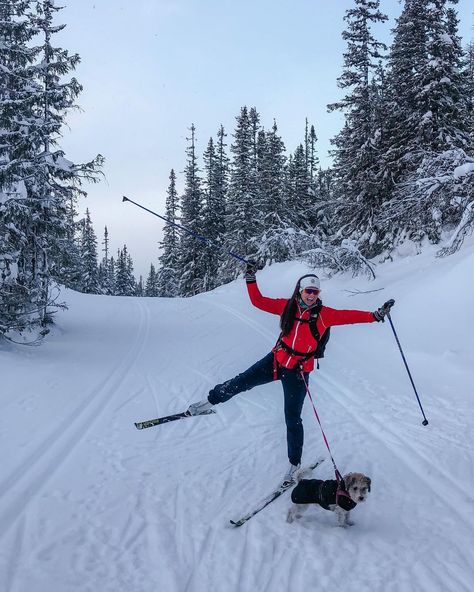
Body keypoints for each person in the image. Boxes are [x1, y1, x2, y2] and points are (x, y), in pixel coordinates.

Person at [187, 262, 393, 483]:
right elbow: (258, 301)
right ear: (300, 291)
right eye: (308, 291)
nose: (312, 295)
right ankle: (208, 403)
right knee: (240, 382)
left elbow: (349, 316)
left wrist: (376, 315)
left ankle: (294, 465)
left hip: (298, 371)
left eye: (316, 292)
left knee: (292, 418)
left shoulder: (325, 315)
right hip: (276, 360)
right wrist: (250, 278)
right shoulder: (288, 307)